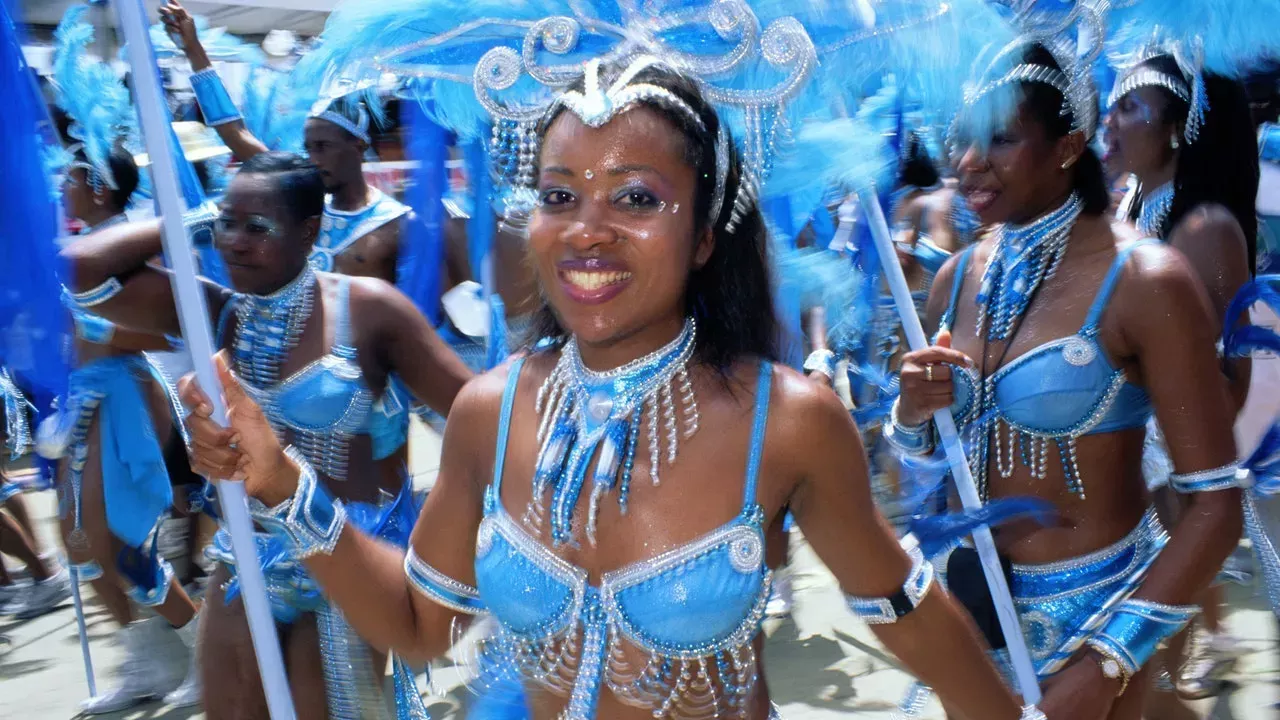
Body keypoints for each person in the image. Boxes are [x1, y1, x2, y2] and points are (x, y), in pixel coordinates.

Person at [175, 53, 1074, 720]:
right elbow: (419, 627)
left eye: (636, 198)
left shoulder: (788, 421)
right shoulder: (493, 409)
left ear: (708, 235)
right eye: (560, 195)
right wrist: (282, 482)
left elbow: (908, 617)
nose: (587, 231)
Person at [892, 36, 1243, 720]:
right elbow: (932, 464)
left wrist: (1107, 660)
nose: (969, 163)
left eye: (999, 139)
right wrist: (911, 416)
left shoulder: (1144, 279)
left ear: (1067, 147)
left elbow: (1215, 505)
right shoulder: (956, 278)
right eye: (962, 139)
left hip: (1100, 611)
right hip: (974, 611)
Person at [61, 150, 472, 718]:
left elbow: (476, 417)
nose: (235, 242)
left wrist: (447, 527)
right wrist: (198, 220)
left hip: (345, 556)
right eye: (228, 225)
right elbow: (78, 271)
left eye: (258, 227)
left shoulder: (368, 311)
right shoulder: (219, 310)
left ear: (309, 231)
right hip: (250, 556)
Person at [46, 8, 207, 711]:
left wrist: (94, 335)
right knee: (83, 545)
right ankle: (146, 665)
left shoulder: (125, 251)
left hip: (126, 399)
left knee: (116, 542)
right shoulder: (83, 244)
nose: (63, 182)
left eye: (75, 173)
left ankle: (207, 653)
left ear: (103, 189)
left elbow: (171, 329)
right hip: (78, 403)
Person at [1104, 39, 1261, 704]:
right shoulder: (1130, 210)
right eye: (1108, 104)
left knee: (1145, 684)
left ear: (1177, 129)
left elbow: (1230, 384)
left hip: (1162, 489)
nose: (1108, 120)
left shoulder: (1204, 227)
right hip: (1120, 483)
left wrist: (1174, 484)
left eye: (1129, 106)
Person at [161, 1, 410, 286]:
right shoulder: (300, 200)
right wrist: (193, 48)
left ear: (358, 145)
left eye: (323, 147)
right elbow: (234, 132)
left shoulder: (395, 223)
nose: (313, 159)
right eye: (308, 147)